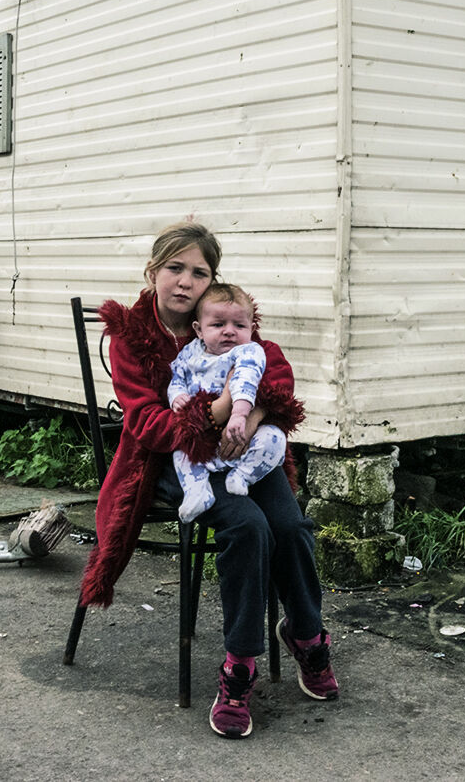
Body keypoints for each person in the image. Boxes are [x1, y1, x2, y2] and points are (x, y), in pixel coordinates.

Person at [78, 220, 339, 739]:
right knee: (247, 527)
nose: (185, 282)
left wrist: (255, 417)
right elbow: (147, 422)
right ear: (153, 272)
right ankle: (239, 666)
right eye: (174, 268)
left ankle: (306, 634)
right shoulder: (133, 334)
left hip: (243, 453)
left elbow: (274, 370)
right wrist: (220, 412)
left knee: (288, 526)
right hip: (174, 461)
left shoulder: (224, 314)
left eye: (199, 272)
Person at [167, 283, 289, 523]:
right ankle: (197, 491)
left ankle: (243, 476)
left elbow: (245, 381)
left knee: (274, 438)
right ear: (199, 329)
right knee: (181, 453)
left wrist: (240, 416)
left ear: (252, 329)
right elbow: (176, 377)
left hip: (243, 434)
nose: (230, 331)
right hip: (203, 439)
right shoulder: (189, 353)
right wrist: (177, 396)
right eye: (218, 325)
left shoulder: (248, 352)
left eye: (240, 325)